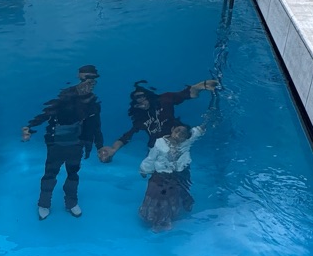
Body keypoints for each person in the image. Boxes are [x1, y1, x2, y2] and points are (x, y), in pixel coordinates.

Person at [22, 64, 103, 220]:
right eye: (85, 79)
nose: (89, 83)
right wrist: (30, 127)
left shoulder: (93, 103)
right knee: (50, 173)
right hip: (56, 143)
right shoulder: (66, 96)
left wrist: (98, 146)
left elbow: (95, 126)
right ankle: (44, 203)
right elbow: (47, 112)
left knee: (73, 174)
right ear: (78, 79)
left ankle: (71, 202)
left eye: (92, 80)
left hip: (76, 144)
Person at [98, 78, 216, 163]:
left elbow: (187, 94)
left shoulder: (165, 100)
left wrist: (202, 85)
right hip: (157, 147)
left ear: (149, 95)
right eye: (136, 98)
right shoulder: (140, 118)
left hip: (178, 137)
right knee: (155, 165)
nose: (140, 100)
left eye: (142, 96)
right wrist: (114, 149)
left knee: (180, 159)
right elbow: (127, 136)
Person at [138, 118, 206, 231]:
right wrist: (144, 170)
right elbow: (151, 158)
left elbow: (197, 132)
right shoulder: (160, 143)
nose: (179, 134)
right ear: (172, 130)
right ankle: (158, 219)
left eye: (183, 134)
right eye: (177, 131)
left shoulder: (186, 142)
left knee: (175, 192)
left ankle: (166, 217)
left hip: (177, 174)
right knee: (159, 196)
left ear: (186, 137)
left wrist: (206, 123)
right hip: (160, 175)